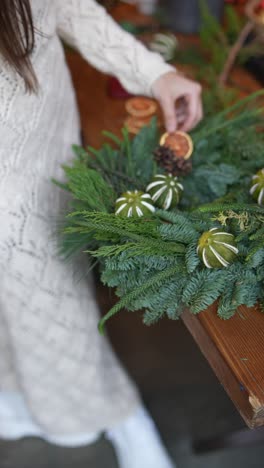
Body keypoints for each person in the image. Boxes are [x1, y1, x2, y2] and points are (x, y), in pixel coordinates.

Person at [0, 1, 203, 467]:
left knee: (53, 302)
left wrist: (154, 73)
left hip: (41, 154)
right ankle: (16, 391)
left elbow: (66, 7)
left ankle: (120, 413)